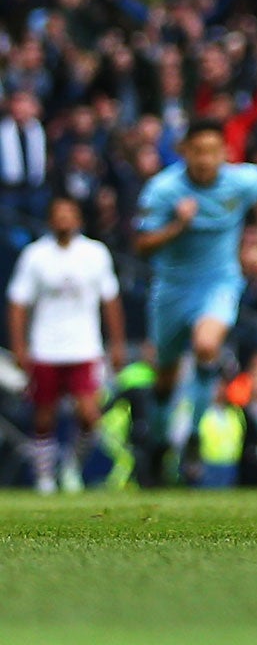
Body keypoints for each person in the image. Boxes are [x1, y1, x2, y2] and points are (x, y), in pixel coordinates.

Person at [132, 125, 257, 475]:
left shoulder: (241, 181)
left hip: (219, 282)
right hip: (172, 289)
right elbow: (141, 243)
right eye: (198, 151)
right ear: (185, 152)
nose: (205, 159)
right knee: (164, 377)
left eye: (213, 151)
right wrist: (177, 227)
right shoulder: (164, 190)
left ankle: (195, 436)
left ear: (224, 152)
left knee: (206, 345)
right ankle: (160, 443)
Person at [6, 196, 123, 492]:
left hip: (84, 346)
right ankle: (45, 477)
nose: (64, 220)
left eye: (69, 214)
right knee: (44, 416)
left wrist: (117, 343)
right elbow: (18, 302)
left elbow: (110, 300)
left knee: (89, 415)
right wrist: (19, 346)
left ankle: (72, 465)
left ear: (79, 219)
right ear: (49, 220)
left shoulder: (95, 253)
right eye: (58, 215)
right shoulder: (35, 256)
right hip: (46, 346)